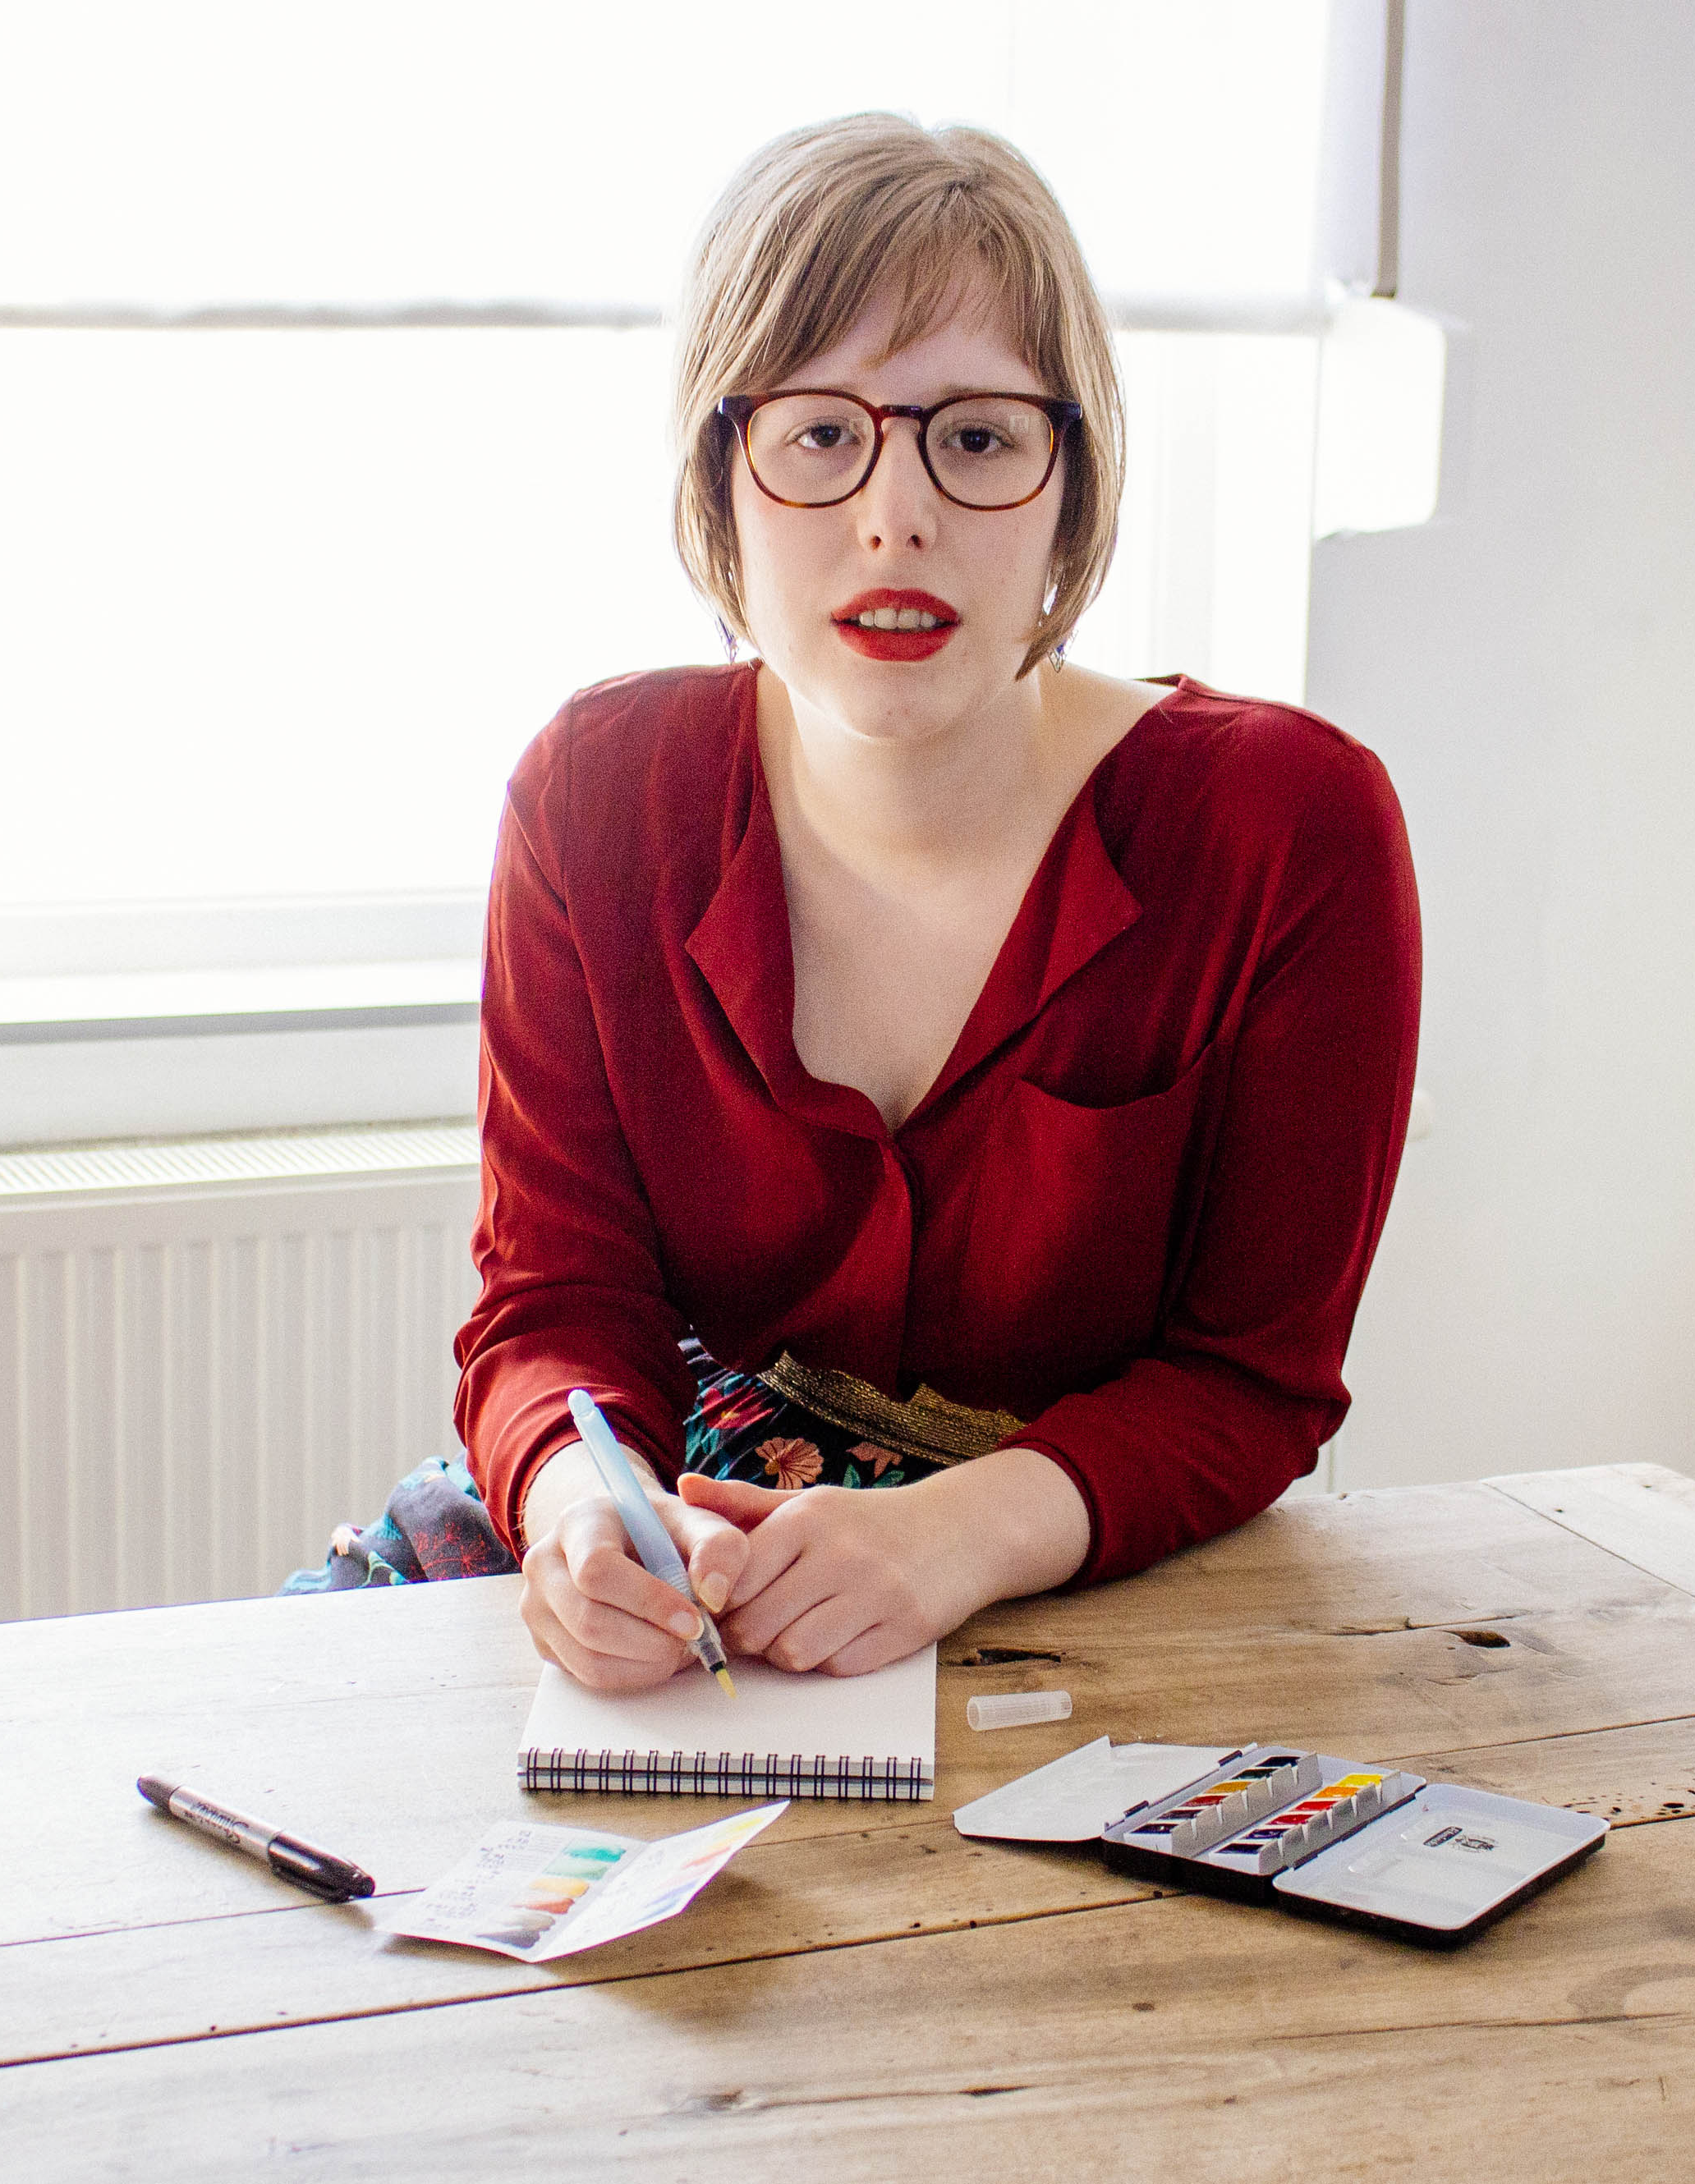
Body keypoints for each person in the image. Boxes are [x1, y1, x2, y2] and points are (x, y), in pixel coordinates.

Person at [452, 112, 1421, 1691]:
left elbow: (1255, 1383)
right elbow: (554, 1304)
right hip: (705, 1553)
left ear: (1067, 482)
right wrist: (580, 1510)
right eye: (821, 434)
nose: (893, 516)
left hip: (1090, 1573)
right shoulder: (591, 796)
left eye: (973, 437)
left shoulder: (1290, 828)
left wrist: (953, 1536)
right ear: (725, 472)